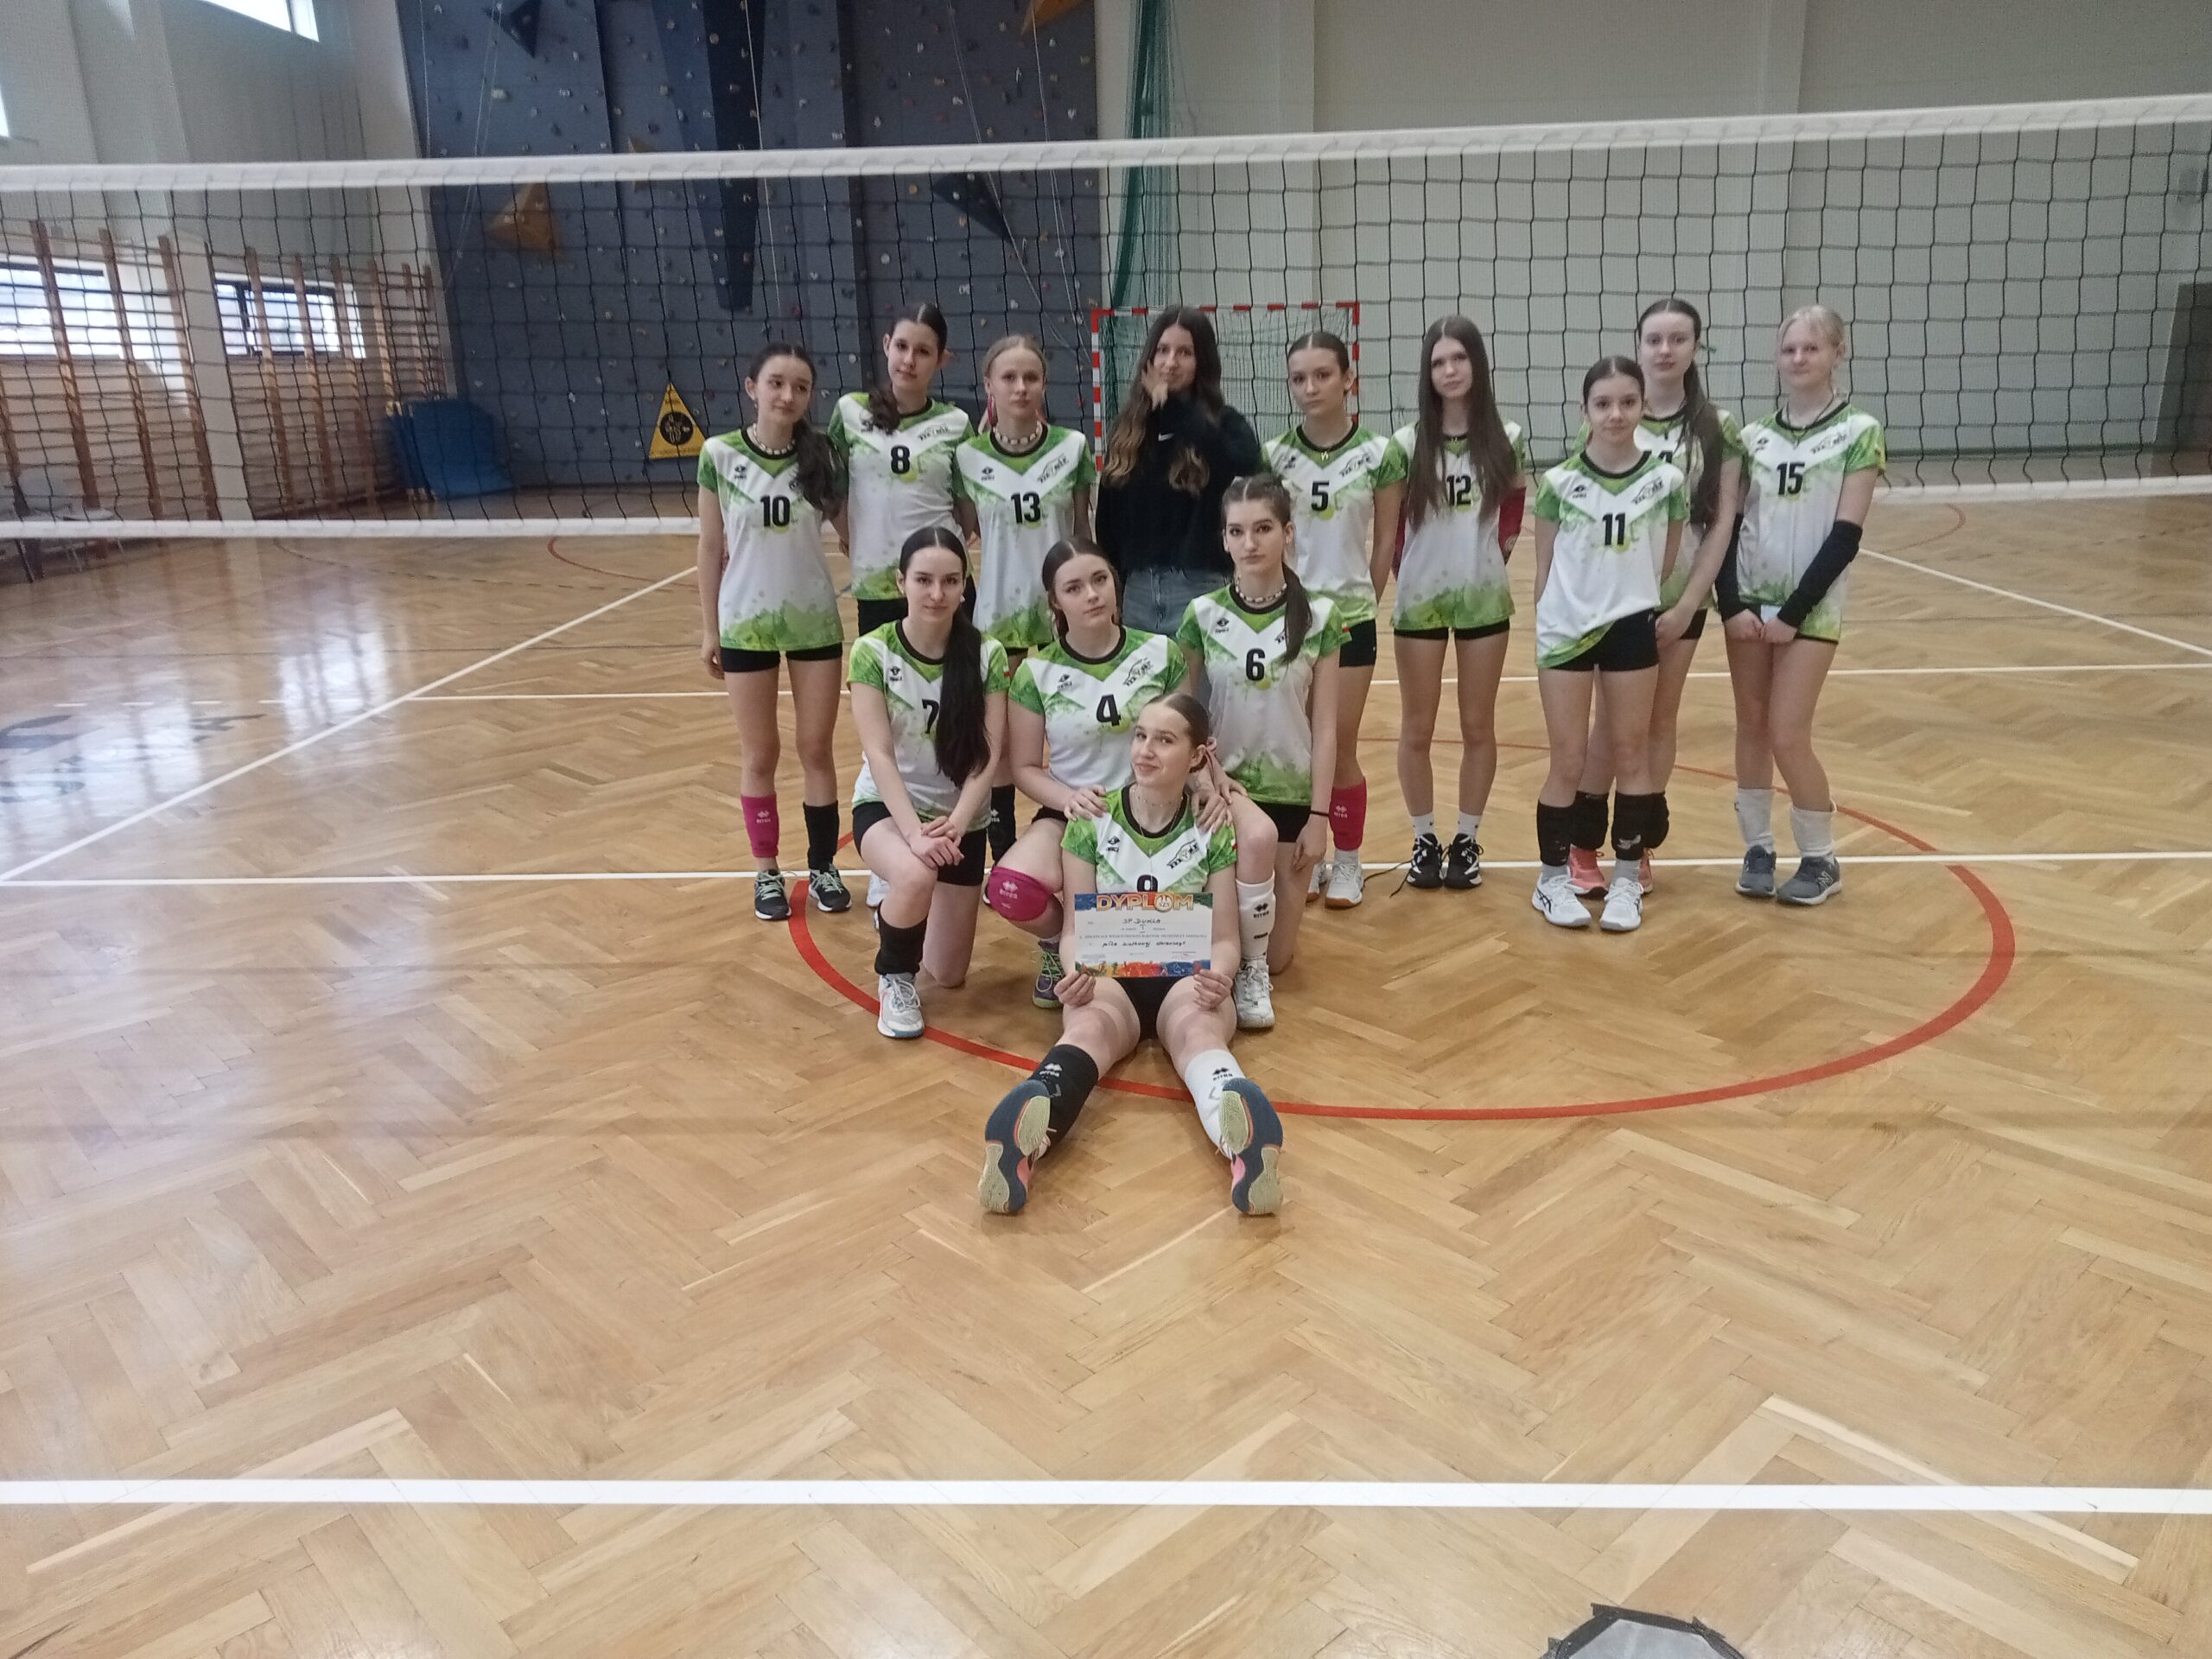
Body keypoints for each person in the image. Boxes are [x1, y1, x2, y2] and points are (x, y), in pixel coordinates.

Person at [979, 693, 1285, 1218]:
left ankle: (1247, 1148)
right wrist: (1074, 971)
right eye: (1140, 736)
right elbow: (1075, 930)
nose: (1145, 750)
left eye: (1164, 740)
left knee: (1199, 1032)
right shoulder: (1091, 819)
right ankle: (1021, 1144)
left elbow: (1224, 939)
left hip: (1186, 977)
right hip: (1110, 976)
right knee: (1086, 1030)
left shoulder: (1211, 826)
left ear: (1197, 756)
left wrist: (1220, 975)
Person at [1566, 297, 1747, 899]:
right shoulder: (1614, 414)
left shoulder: (1718, 428)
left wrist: (1690, 602)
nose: (1665, 350)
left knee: (1658, 720)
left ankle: (1636, 840)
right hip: (1613, 601)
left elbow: (1721, 523)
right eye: (1654, 339)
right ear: (1639, 345)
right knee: (1611, 726)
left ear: (1696, 347)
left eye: (1678, 339)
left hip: (1678, 600)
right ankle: (1582, 842)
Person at [1720, 305, 1884, 906]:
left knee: (1787, 732)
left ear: (1839, 353)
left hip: (1809, 610)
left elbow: (1846, 535)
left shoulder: (1859, 431)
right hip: (1749, 602)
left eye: (1811, 348)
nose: (1798, 358)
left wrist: (1792, 614)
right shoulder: (1752, 438)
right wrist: (1732, 604)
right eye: (1789, 349)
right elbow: (1728, 527)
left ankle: (1820, 858)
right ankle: (1758, 849)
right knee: (1751, 726)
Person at [989, 539, 1191, 1009]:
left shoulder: (1161, 653)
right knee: (1010, 889)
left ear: (1115, 584)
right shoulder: (1037, 672)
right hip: (1074, 811)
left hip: (1153, 813)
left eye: (1100, 580)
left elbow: (1186, 739)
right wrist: (1069, 800)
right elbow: (1023, 768)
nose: (1092, 595)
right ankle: (1060, 944)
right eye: (1074, 588)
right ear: (1055, 601)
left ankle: (1126, 954)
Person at [1177, 473, 1345, 1031]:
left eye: (1264, 529)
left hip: (1292, 797)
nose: (1249, 543)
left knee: (1276, 960)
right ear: (1224, 539)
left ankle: (1245, 972)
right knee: (1226, 948)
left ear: (1288, 533)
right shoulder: (1202, 615)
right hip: (1225, 798)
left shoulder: (1321, 617)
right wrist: (1203, 780)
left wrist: (1320, 817)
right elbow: (1180, 717)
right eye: (1237, 531)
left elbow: (1326, 726)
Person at [1529, 358, 1688, 934]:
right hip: (1566, 632)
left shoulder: (1666, 481)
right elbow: (1544, 566)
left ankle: (1625, 882)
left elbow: (1665, 559)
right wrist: (1558, 617)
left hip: (1630, 626)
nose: (1615, 414)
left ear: (1643, 406)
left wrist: (1628, 598)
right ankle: (1552, 881)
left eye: (1627, 402)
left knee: (1631, 755)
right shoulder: (1557, 484)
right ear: (1585, 410)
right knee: (1569, 760)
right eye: (1603, 404)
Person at [695, 340, 850, 923]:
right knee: (760, 753)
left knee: (816, 748)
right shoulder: (719, 454)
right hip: (745, 623)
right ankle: (766, 870)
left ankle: (822, 865)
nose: (788, 395)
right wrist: (710, 630)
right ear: (752, 388)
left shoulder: (822, 457)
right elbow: (709, 548)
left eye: (801, 387)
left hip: (813, 620)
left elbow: (852, 533)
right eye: (777, 383)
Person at [1385, 315, 1530, 892]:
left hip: (1483, 600)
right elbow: (1391, 528)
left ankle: (1466, 839)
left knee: (1477, 724)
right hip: (1419, 603)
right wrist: (1410, 575)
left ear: (1477, 364)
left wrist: (1494, 558)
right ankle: (1424, 839)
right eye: (1438, 362)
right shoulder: (1405, 444)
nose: (1449, 371)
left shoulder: (1507, 437)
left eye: (1459, 359)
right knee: (1417, 727)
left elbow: (1514, 506)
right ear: (1427, 372)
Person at [1264, 330, 1405, 910]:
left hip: (1349, 620)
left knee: (1340, 744)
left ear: (1349, 379)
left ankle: (1348, 860)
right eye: (1299, 378)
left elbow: (1387, 540)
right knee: (1296, 745)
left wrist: (1362, 600)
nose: (1310, 387)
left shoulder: (1380, 453)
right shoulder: (1275, 454)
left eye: (1323, 375)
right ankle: (1306, 854)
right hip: (1287, 618)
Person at [849, 527, 1010, 1039]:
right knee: (915, 876)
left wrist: (958, 823)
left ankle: (900, 900)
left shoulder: (987, 654)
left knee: (949, 973)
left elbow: (989, 755)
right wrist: (914, 834)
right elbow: (878, 753)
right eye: (923, 580)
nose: (937, 593)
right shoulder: (873, 651)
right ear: (901, 582)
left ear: (965, 586)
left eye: (950, 581)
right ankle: (894, 977)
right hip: (890, 808)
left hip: (960, 819)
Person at [954, 334, 1096, 862]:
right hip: (998, 617)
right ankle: (1004, 847)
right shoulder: (967, 457)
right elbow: (967, 530)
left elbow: (1082, 531)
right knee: (1001, 741)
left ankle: (1071, 835)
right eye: (1008, 377)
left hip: (1063, 616)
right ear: (988, 384)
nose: (1020, 387)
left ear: (1044, 384)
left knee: (1072, 729)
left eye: (1031, 377)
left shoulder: (1072, 447)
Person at [1093, 307, 1264, 635]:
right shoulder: (1128, 431)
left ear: (1202, 361)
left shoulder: (1225, 424)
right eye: (1162, 350)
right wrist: (1114, 585)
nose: (1170, 362)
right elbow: (1108, 521)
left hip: (1200, 585)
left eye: (1184, 353)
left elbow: (1241, 463)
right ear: (1149, 358)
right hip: (1138, 591)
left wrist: (1172, 408)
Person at [829, 301, 971, 638]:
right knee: (880, 672)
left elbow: (966, 511)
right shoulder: (850, 412)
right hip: (875, 582)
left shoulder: (956, 423)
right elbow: (833, 492)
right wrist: (856, 538)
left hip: (941, 582)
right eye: (901, 346)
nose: (909, 360)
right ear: (886, 345)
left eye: (923, 351)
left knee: (956, 671)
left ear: (941, 360)